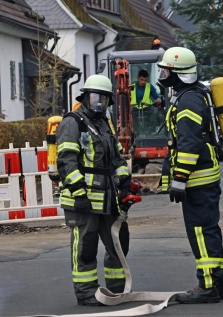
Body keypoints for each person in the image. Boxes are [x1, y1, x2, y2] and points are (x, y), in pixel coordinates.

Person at [56, 74, 132, 306]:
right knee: (85, 249)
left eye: (103, 99)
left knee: (119, 244)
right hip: (84, 201)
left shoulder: (104, 124)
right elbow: (67, 162)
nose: (99, 103)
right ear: (85, 98)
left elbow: (117, 159)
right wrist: (79, 194)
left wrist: (124, 183)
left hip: (109, 199)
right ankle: (87, 293)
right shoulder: (73, 122)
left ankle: (117, 290)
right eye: (94, 98)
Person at [157, 47, 223, 304]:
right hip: (203, 178)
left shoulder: (189, 100)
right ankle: (216, 284)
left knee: (201, 232)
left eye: (166, 70)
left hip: (197, 180)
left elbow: (189, 143)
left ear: (178, 73)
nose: (163, 74)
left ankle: (207, 287)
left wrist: (180, 179)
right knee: (208, 230)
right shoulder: (193, 95)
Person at [131, 70, 162, 134]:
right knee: (129, 113)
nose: (143, 82)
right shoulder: (132, 86)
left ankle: (150, 131)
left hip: (147, 109)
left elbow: (157, 96)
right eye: (141, 80)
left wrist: (159, 99)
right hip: (135, 108)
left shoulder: (149, 86)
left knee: (155, 110)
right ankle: (136, 131)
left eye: (145, 80)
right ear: (138, 78)